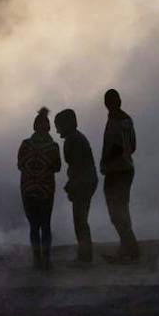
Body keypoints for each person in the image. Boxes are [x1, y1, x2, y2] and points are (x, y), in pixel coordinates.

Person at [17, 107, 62, 270]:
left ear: (34, 127)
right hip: (46, 191)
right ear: (48, 127)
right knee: (45, 225)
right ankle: (47, 259)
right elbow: (57, 167)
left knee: (34, 226)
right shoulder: (53, 147)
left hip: (27, 190)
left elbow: (19, 165)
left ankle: (37, 259)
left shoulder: (25, 145)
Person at [99, 87, 140, 262]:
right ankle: (128, 247)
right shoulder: (126, 120)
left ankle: (130, 248)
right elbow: (133, 146)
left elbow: (118, 147)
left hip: (117, 172)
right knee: (120, 210)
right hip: (124, 170)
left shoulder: (116, 121)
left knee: (117, 211)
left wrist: (107, 161)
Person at [55, 108, 98, 264]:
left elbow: (78, 167)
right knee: (81, 219)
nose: (57, 129)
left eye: (58, 125)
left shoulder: (74, 140)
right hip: (85, 182)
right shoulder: (75, 138)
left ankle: (85, 257)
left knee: (80, 220)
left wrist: (71, 185)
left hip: (84, 183)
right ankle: (84, 254)